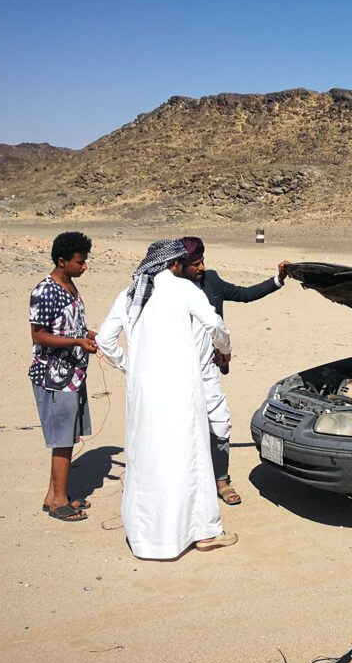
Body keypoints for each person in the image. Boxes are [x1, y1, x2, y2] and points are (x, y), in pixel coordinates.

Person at [96, 240, 237, 558]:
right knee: (189, 458)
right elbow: (215, 325)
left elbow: (105, 339)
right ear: (174, 263)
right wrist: (225, 349)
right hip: (180, 392)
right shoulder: (184, 290)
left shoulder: (130, 293)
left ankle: (148, 537)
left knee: (147, 458)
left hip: (142, 395)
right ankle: (203, 532)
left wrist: (129, 365)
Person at [177, 236, 290, 506]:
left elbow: (245, 294)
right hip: (179, 374)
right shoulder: (169, 290)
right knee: (184, 428)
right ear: (179, 265)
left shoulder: (211, 281)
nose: (202, 267)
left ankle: (221, 481)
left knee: (220, 424)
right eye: (196, 263)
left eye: (203, 261)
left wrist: (278, 280)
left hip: (208, 371)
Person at [29, 232, 98, 522]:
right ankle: (59, 502)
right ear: (62, 261)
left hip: (73, 374)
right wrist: (77, 343)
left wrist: (91, 336)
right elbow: (39, 335)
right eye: (80, 262)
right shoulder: (44, 291)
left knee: (67, 437)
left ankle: (53, 495)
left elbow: (71, 327)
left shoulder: (69, 287)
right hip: (53, 377)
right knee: (62, 440)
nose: (85, 267)